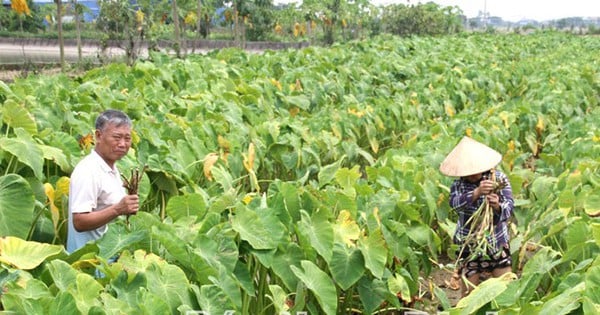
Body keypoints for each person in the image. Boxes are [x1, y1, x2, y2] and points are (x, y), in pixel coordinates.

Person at [439, 136, 515, 297]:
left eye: (475, 170)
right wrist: (476, 193)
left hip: (496, 241)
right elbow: (454, 204)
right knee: (470, 297)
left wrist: (497, 205)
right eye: (469, 172)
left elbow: (509, 208)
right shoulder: (458, 185)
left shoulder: (499, 179)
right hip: (470, 243)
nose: (473, 175)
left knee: (505, 292)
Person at [66, 109, 139, 253]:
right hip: (88, 262)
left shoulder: (110, 168)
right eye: (117, 137)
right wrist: (118, 209)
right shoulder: (88, 170)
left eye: (127, 138)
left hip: (106, 255)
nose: (123, 144)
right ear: (98, 136)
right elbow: (79, 221)